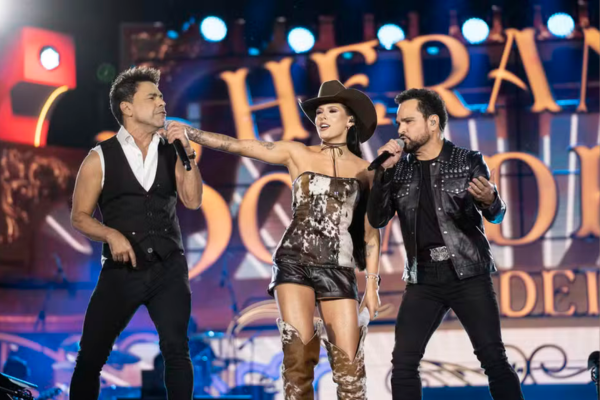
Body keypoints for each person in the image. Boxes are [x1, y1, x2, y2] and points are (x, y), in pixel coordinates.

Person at [164, 80, 381, 400]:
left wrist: (372, 287)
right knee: (298, 363)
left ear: (351, 120)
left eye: (331, 111)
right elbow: (237, 145)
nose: (322, 117)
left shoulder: (367, 171)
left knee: (350, 373)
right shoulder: (297, 153)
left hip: (339, 268)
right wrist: (191, 133)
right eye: (319, 112)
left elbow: (371, 233)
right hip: (294, 262)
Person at [367, 88, 524, 400]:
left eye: (408, 121)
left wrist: (490, 199)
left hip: (467, 273)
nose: (400, 129)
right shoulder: (398, 169)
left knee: (493, 358)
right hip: (423, 278)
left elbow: (496, 214)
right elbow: (377, 218)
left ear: (433, 122)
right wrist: (384, 174)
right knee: (403, 363)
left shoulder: (467, 160)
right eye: (399, 123)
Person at [69, 67, 203, 399]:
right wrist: (111, 235)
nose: (162, 103)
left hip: (169, 267)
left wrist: (188, 153)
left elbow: (192, 200)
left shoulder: (173, 150)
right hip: (122, 271)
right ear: (127, 107)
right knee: (91, 356)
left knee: (177, 350)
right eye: (152, 97)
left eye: (162, 97)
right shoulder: (100, 157)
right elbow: (79, 217)